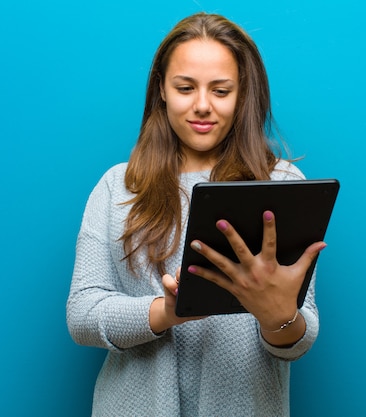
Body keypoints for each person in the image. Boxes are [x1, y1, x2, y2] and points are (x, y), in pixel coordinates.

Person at [66, 12, 327, 417]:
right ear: (162, 90)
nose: (202, 106)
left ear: (243, 94)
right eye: (185, 88)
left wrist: (279, 316)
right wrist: (166, 312)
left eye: (221, 91)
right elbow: (82, 315)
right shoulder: (118, 186)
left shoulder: (282, 183)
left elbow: (300, 335)